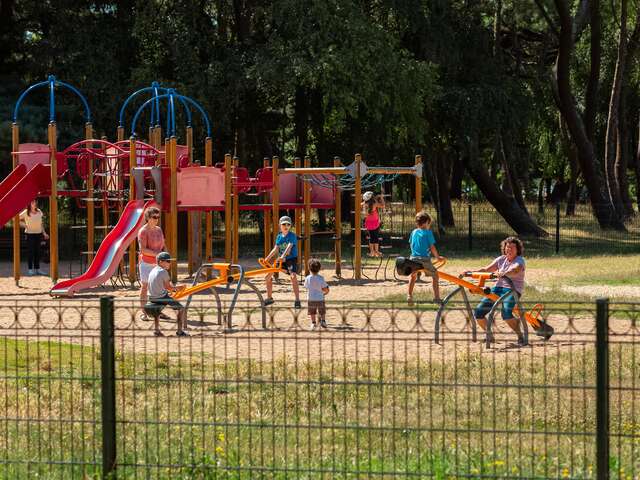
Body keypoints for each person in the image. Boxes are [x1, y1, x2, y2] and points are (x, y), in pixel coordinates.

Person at [463, 236, 526, 345]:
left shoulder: (519, 260)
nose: (509, 250)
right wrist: (471, 272)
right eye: (507, 247)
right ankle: (490, 336)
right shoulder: (501, 259)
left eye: (512, 248)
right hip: (498, 289)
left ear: (517, 250)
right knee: (479, 312)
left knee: (506, 313)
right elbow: (486, 270)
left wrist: (504, 273)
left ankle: (521, 336)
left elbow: (515, 269)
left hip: (512, 290)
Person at [147, 252, 188, 337]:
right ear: (161, 262)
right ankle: (180, 332)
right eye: (168, 261)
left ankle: (156, 331)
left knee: (157, 312)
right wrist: (178, 288)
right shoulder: (163, 272)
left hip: (151, 296)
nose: (170, 263)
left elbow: (159, 285)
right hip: (161, 297)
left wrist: (171, 290)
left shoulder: (153, 270)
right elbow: (169, 287)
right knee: (181, 309)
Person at [264, 215, 301, 308]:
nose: (286, 226)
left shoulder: (292, 236)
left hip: (291, 259)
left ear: (290, 226)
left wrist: (283, 256)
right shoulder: (279, 236)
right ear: (280, 225)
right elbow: (276, 248)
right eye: (284, 224)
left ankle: (297, 300)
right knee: (267, 277)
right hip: (281, 259)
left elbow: (289, 248)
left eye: (288, 224)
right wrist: (267, 258)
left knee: (293, 277)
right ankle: (269, 298)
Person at [137, 206, 167, 320]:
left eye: (158, 217)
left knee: (161, 288)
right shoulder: (143, 231)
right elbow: (143, 250)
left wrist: (166, 257)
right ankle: (144, 312)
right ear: (148, 218)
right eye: (154, 217)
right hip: (146, 263)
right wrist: (158, 255)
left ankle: (157, 311)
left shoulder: (159, 229)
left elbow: (163, 244)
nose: (156, 219)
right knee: (145, 287)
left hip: (158, 263)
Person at [407, 211, 442, 305]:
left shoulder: (413, 232)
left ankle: (409, 296)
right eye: (429, 223)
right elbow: (432, 247)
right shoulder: (428, 233)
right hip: (424, 259)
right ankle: (437, 298)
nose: (429, 225)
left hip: (413, 258)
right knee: (435, 275)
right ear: (426, 222)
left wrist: (414, 254)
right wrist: (438, 257)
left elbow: (411, 244)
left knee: (413, 276)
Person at [19, 200, 49, 276]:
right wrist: (24, 225)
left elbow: (41, 224)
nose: (34, 203)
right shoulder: (26, 212)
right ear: (29, 204)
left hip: (38, 234)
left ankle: (37, 269)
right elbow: (16, 219)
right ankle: (30, 270)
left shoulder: (39, 211)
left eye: (35, 202)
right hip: (29, 234)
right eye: (32, 202)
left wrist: (44, 233)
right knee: (31, 252)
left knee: (37, 252)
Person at [304, 258, 329, 330]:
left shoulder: (307, 278)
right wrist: (326, 292)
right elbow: (325, 288)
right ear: (319, 268)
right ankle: (323, 321)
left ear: (309, 268)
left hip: (311, 298)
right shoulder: (321, 278)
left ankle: (313, 323)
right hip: (320, 298)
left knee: (312, 311)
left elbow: (306, 287)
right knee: (322, 311)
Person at [362, 191, 385, 257]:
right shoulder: (374, 204)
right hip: (375, 222)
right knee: (376, 237)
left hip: (369, 223)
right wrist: (381, 198)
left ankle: (372, 252)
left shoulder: (364, 204)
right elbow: (383, 205)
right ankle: (376, 251)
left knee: (371, 237)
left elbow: (361, 204)